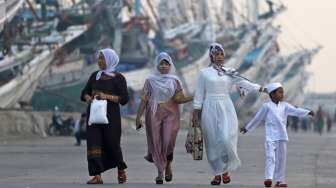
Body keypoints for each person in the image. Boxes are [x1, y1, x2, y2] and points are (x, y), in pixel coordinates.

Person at [192, 43, 267, 185]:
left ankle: (226, 169)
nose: (219, 57)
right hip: (209, 107)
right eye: (216, 54)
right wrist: (196, 111)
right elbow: (199, 93)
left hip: (226, 106)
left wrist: (261, 88)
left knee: (226, 138)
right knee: (212, 141)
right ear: (211, 56)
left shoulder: (230, 72)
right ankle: (217, 173)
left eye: (221, 54)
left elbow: (245, 83)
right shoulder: (204, 73)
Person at [240, 83, 314, 188]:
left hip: (282, 136)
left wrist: (307, 112)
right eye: (280, 92)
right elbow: (258, 118)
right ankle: (268, 178)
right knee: (270, 157)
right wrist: (247, 128)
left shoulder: (285, 106)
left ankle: (280, 181)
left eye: (282, 92)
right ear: (272, 94)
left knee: (281, 159)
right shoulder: (266, 106)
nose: (282, 94)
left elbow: (296, 111)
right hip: (270, 136)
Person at [135, 52, 193, 184]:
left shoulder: (175, 80)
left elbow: (179, 99)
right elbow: (144, 100)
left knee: (168, 141)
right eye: (161, 63)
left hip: (171, 114)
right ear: (157, 65)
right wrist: (138, 117)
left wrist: (194, 97)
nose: (164, 66)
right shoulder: (150, 80)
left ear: (170, 65)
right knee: (156, 142)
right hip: (153, 113)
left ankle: (168, 164)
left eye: (166, 64)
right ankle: (160, 172)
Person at [80, 48, 129, 184]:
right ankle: (97, 175)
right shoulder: (94, 75)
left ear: (110, 60)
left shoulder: (118, 78)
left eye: (103, 59)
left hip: (111, 117)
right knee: (93, 143)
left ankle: (120, 169)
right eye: (99, 58)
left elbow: (124, 99)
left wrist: (105, 96)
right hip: (93, 116)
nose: (99, 61)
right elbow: (84, 92)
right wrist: (88, 98)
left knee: (112, 144)